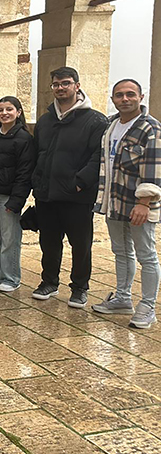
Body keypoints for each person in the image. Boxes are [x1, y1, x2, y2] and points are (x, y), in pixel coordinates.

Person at [31, 66, 108, 308]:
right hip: (47, 194)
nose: (60, 88)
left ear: (77, 86)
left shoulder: (96, 120)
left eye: (65, 83)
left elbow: (98, 156)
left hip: (77, 196)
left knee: (81, 245)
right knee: (49, 243)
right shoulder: (45, 121)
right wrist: (37, 181)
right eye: (56, 84)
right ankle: (49, 282)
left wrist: (80, 182)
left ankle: (79, 288)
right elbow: (37, 153)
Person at [92, 79, 161, 329]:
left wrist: (144, 202)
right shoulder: (111, 126)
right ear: (113, 99)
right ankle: (122, 298)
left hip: (139, 204)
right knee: (121, 251)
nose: (125, 99)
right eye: (119, 95)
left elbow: (154, 167)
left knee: (146, 255)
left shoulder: (150, 128)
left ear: (141, 97)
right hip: (114, 200)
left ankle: (148, 306)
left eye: (130, 94)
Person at [0, 97, 34, 292]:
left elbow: (25, 173)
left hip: (8, 196)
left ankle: (11, 278)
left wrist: (17, 200)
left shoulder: (24, 138)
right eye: (0, 109)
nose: (4, 113)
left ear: (18, 112)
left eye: (9, 109)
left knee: (10, 239)